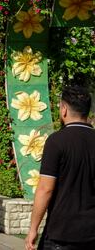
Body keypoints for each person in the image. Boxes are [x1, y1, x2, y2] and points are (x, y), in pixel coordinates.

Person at [25, 86, 95, 250]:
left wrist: (33, 229)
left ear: (64, 109)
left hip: (62, 232)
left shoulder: (56, 141)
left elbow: (45, 189)